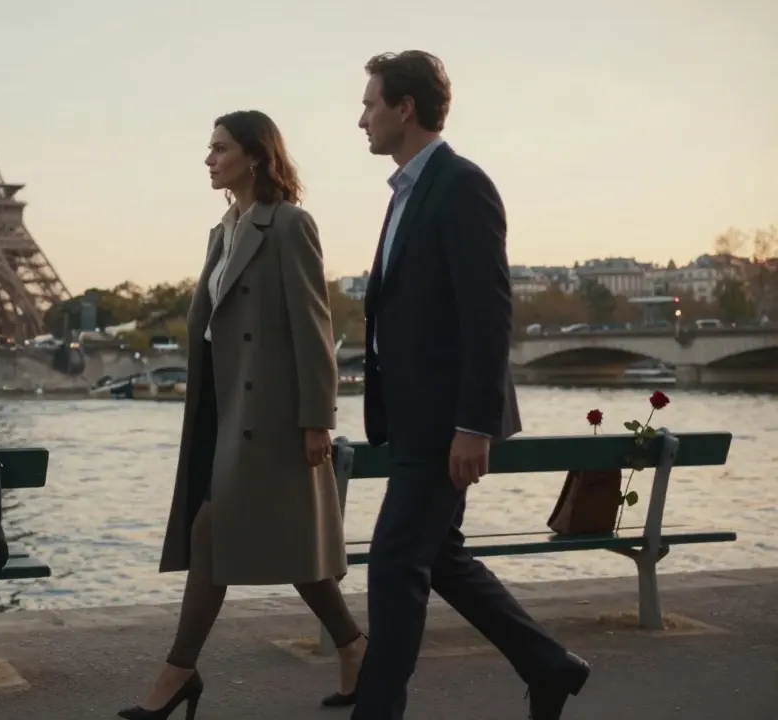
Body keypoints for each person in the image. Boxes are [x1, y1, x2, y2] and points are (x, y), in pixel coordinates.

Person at [351, 51, 591, 720]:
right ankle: (551, 666)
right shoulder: (407, 192)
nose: (361, 117)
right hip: (412, 416)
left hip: (442, 421)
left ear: (405, 108)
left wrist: (474, 425)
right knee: (441, 557)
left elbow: (488, 313)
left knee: (396, 564)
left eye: (371, 103)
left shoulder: (461, 185)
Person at [117, 110, 367, 719]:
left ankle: (178, 673)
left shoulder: (288, 226)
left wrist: (317, 421)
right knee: (281, 545)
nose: (208, 158)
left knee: (215, 536)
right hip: (219, 411)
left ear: (254, 156)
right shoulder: (222, 232)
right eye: (209, 148)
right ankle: (355, 646)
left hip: (268, 417)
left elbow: (314, 329)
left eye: (220, 148)